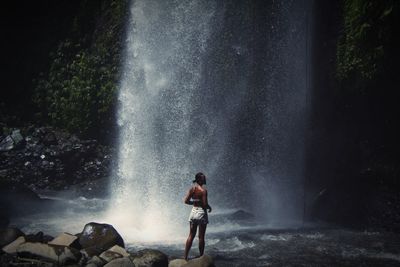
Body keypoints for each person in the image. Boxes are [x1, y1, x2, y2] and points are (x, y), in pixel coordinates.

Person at [183, 172, 212, 260]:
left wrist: (194, 202)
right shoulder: (203, 191)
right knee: (201, 236)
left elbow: (186, 201)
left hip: (193, 212)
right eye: (203, 178)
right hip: (201, 213)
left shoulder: (192, 189)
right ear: (199, 179)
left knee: (191, 235)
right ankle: (201, 256)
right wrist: (209, 207)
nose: (205, 179)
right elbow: (204, 204)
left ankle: (185, 257)